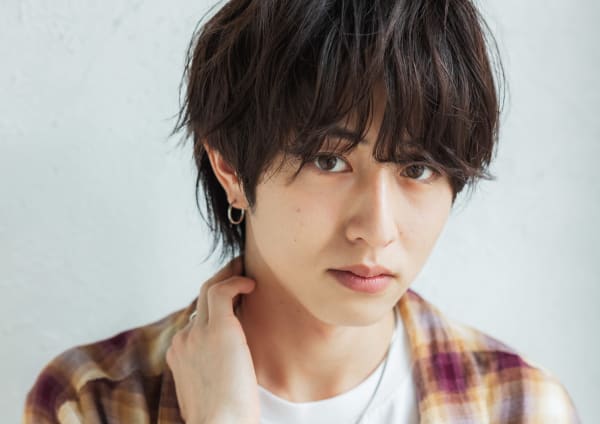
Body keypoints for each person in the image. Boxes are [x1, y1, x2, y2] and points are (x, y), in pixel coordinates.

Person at [23, 0, 580, 423]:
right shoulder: (92, 403)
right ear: (230, 167)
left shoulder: (522, 407)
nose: (377, 231)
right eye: (328, 161)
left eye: (417, 169)